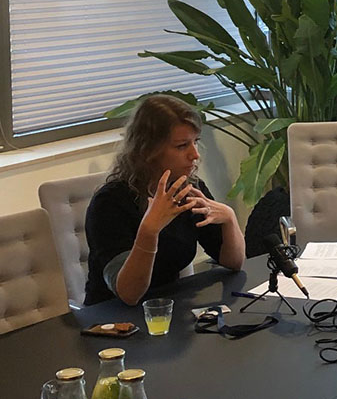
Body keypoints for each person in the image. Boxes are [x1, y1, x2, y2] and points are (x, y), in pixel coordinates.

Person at [84, 95, 244, 306]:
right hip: (113, 320)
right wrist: (149, 231)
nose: (195, 155)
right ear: (148, 150)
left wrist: (229, 219)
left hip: (167, 309)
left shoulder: (188, 188)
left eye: (195, 142)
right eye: (181, 146)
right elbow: (128, 294)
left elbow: (233, 262)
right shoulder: (110, 203)